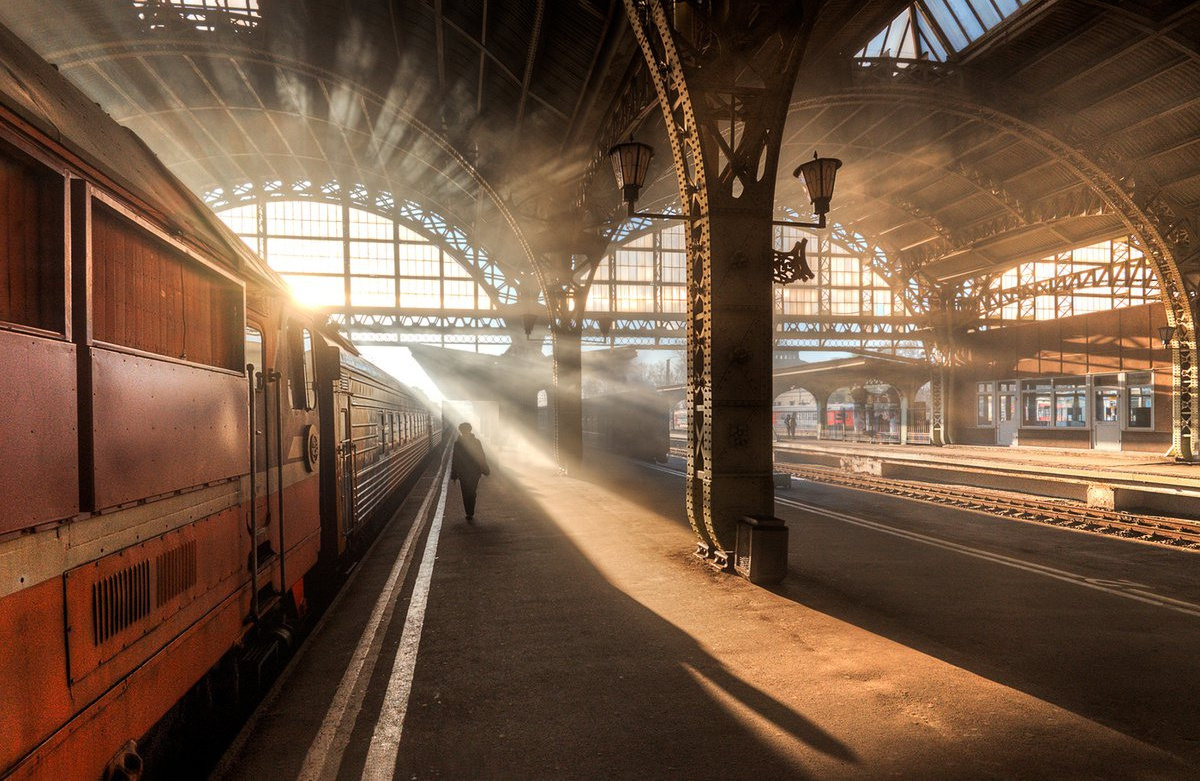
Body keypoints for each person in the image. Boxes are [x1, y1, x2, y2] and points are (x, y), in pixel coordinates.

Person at [451, 421, 490, 522]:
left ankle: (470, 511)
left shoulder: (466, 443)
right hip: (467, 472)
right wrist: (454, 474)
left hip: (472, 472)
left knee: (470, 492)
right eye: (463, 431)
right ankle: (469, 512)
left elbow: (481, 456)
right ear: (461, 431)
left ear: (469, 430)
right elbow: (455, 459)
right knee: (467, 492)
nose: (465, 432)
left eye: (466, 430)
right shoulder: (459, 444)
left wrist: (485, 469)